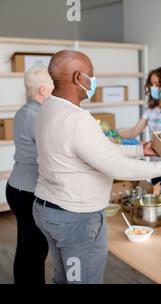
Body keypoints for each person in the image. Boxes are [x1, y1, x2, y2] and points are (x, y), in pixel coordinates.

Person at [32, 50, 161, 284]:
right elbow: (119, 168)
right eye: (92, 75)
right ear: (78, 78)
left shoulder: (48, 108)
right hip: (75, 217)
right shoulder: (77, 119)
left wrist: (140, 150)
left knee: (63, 278)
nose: (94, 80)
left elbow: (101, 149)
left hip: (48, 209)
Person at [5, 65, 54, 284]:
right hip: (28, 191)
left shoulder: (23, 111)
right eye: (53, 85)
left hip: (16, 187)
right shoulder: (38, 116)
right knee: (36, 247)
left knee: (25, 244)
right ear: (44, 90)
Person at [119, 66, 161, 187]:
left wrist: (147, 143)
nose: (153, 88)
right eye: (151, 84)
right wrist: (114, 134)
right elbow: (134, 131)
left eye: (157, 84)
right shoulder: (150, 110)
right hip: (155, 165)